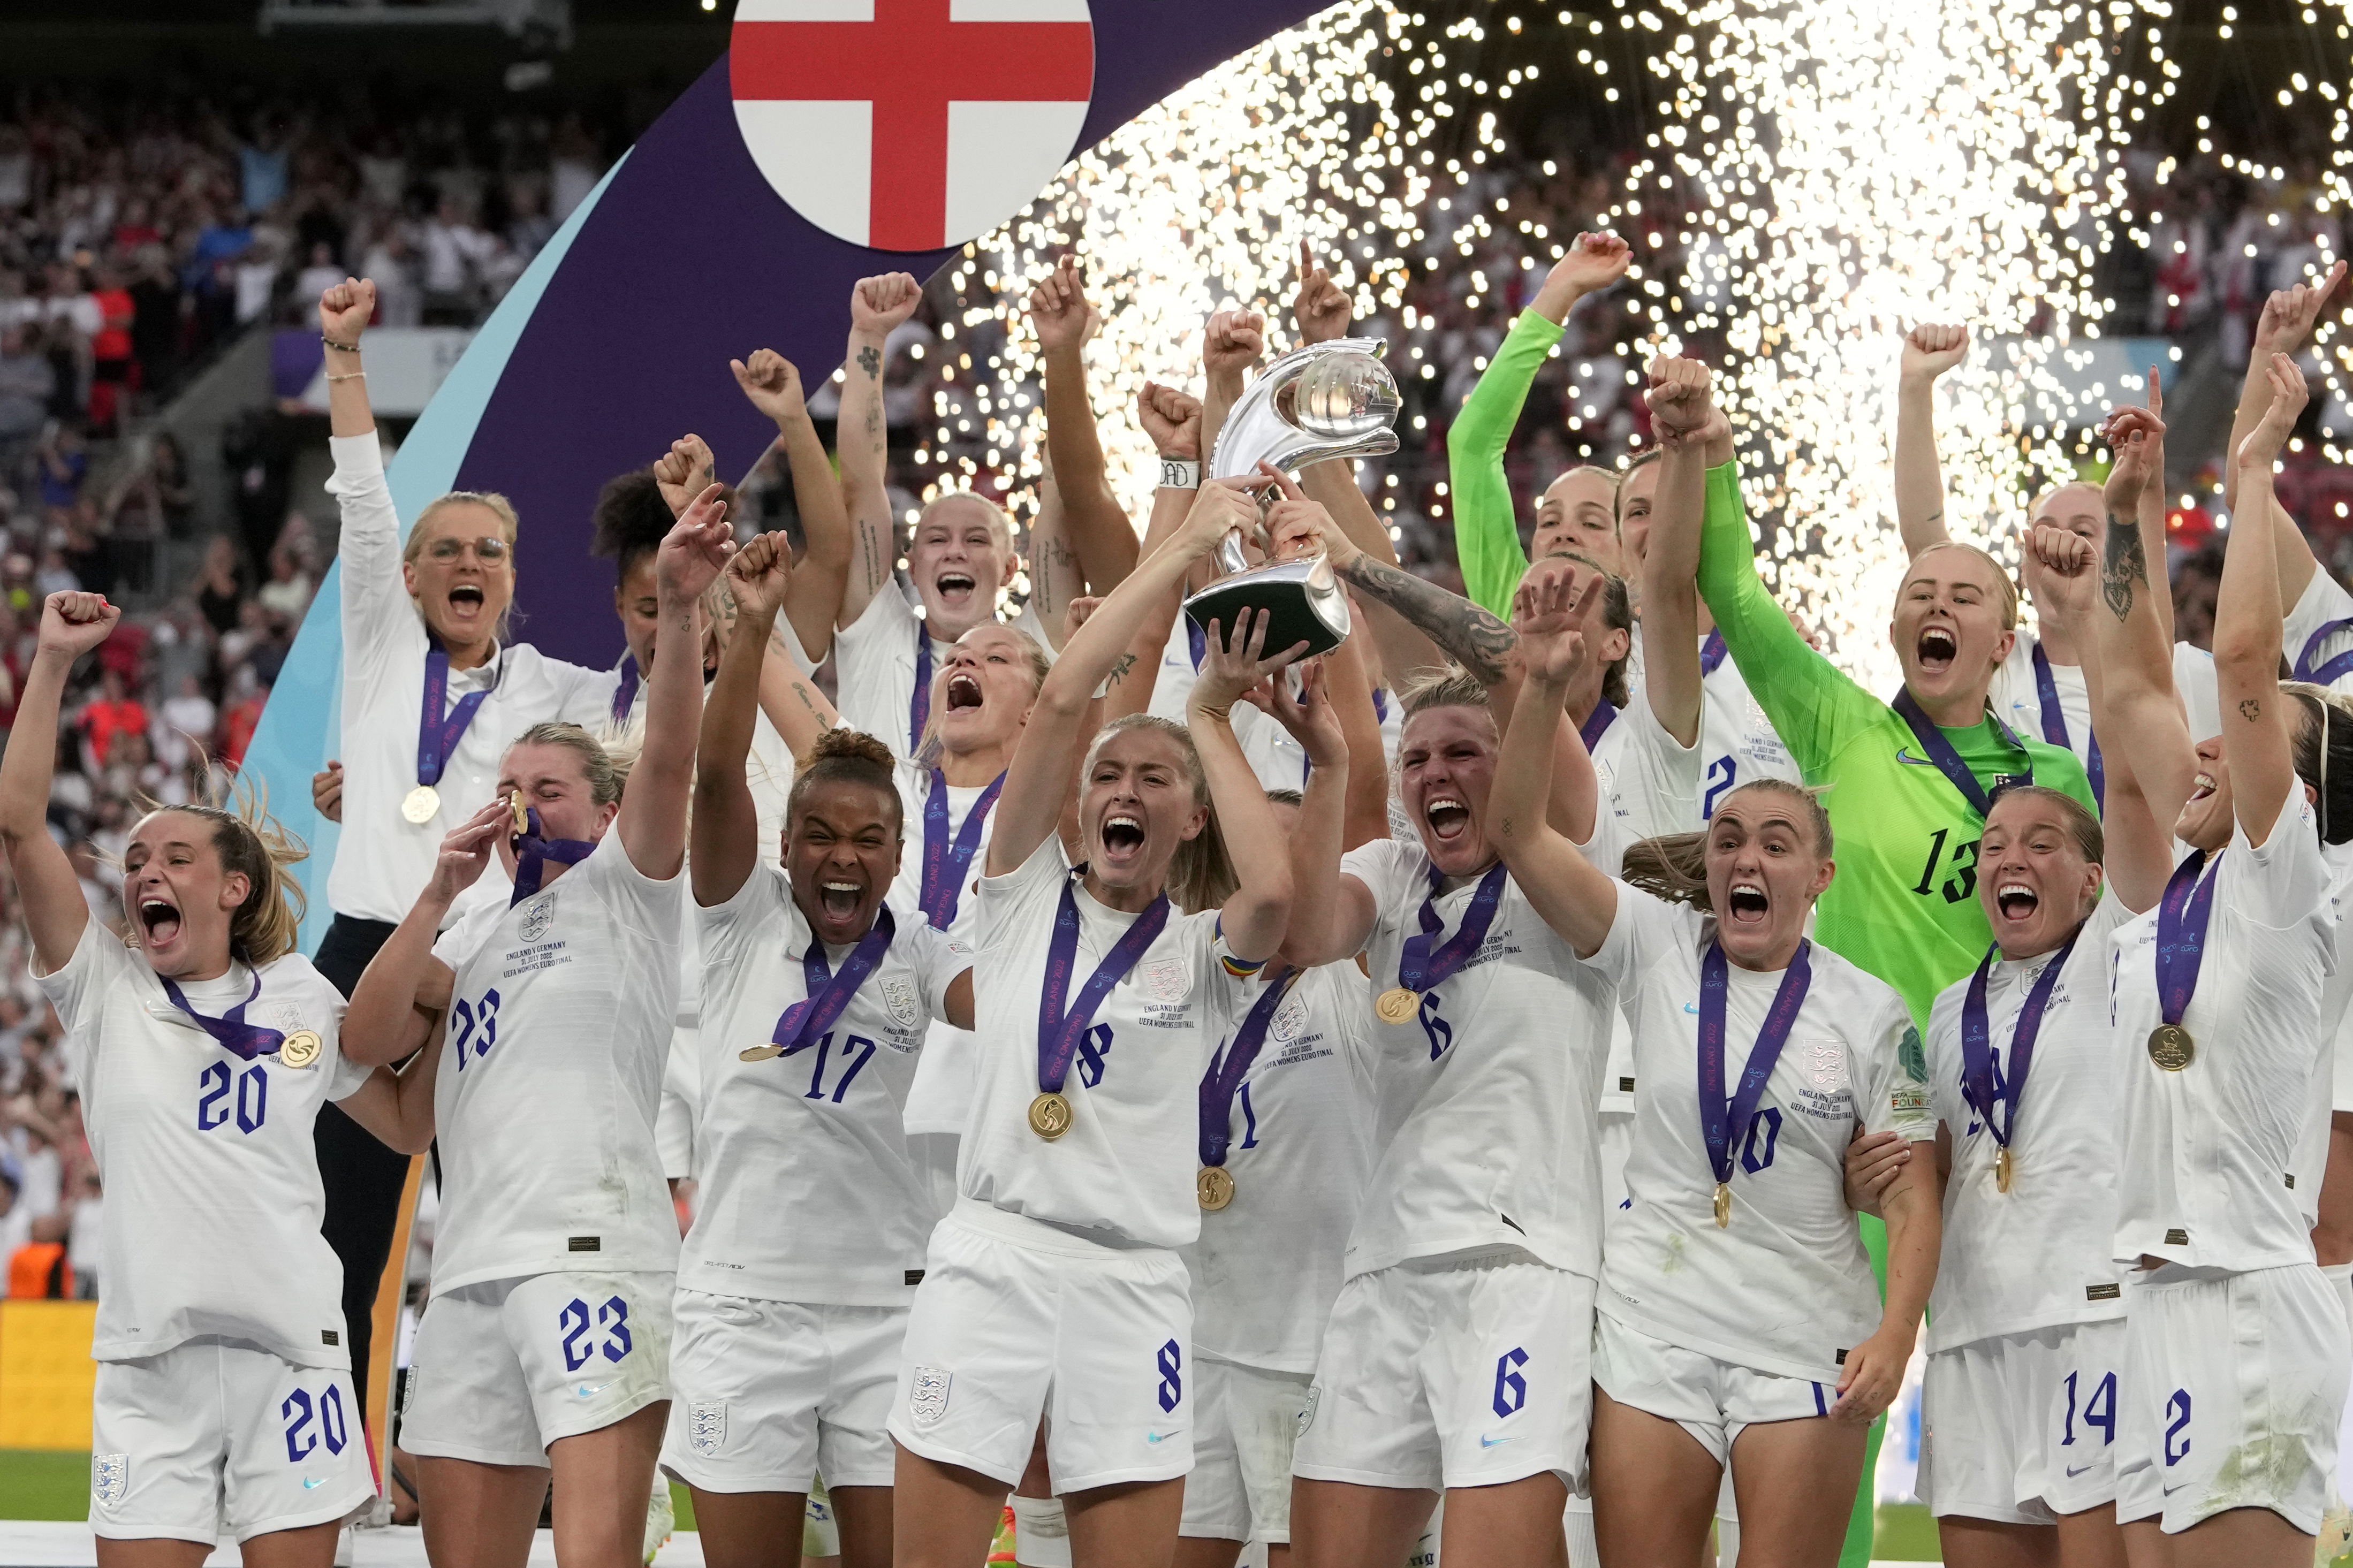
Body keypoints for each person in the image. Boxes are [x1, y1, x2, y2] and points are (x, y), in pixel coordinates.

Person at [1489, 564, 1939, 1568]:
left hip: (1806, 1335)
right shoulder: (1653, 939)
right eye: (1729, 840)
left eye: (1777, 845)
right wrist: (1542, 686)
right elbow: (1516, 832)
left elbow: (1912, 1195)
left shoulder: (1867, 1009)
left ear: (1818, 876)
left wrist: (1898, 1332)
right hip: (1656, 1326)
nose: (1746, 860)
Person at [885, 477, 1296, 1568]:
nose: (1123, 786)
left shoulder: (1203, 951)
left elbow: (1270, 890)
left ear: (1189, 813)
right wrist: (1179, 549)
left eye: (1154, 777)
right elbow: (1065, 700)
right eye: (1106, 775)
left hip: (1135, 1284)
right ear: (1073, 804)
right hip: (992, 1255)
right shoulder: (1018, 895)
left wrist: (1206, 712)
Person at [0, 589, 439, 1562]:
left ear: (234, 889)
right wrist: (52, 661)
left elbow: (409, 1125)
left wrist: (460, 992)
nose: (146, 871)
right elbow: (20, 821)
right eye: (137, 859)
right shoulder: (104, 989)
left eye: (177, 857)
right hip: (150, 1366)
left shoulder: (301, 998)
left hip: (297, 1362)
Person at [339, 489, 731, 1567]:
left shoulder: (631, 886)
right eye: (507, 786)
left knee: (594, 1556)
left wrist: (685, 615)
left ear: (603, 812)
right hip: (464, 1275)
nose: (519, 807)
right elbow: (376, 1058)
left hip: (590, 1258)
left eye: (546, 789)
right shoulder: (472, 943)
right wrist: (431, 895)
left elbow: (664, 762)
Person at [307, 276, 612, 1428]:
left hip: (480, 965)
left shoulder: (550, 691)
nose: (467, 561)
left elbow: (644, 708)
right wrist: (346, 355)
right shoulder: (382, 645)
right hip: (361, 953)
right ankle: (333, 1467)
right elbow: (363, 505)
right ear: (415, 577)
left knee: (491, 1214)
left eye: (490, 549)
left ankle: (517, 1447)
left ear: (513, 579)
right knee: (339, 1224)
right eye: (446, 550)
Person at [1274, 553, 1616, 1568]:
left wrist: (1363, 573)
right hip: (1383, 1266)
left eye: (1463, 753)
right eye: (1417, 761)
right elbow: (1304, 933)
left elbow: (1530, 706)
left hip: (1521, 1265)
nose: (1434, 777)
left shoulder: (1559, 863)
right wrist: (1336, 770)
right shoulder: (1390, 869)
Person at [662, 530, 976, 1568]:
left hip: (892, 1307)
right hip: (742, 1302)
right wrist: (748, 630)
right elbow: (712, 780)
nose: (842, 855)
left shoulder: (926, 949)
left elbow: (1006, 1014)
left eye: (867, 839)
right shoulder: (740, 913)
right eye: (820, 834)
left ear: (895, 852)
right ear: (786, 843)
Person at [2088, 356, 2352, 1564]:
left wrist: (2251, 466)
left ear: (2292, 790)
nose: (2200, 742)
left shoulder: (2287, 881)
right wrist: (2123, 510)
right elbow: (2130, 682)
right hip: (2155, 1298)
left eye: (2237, 745)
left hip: (2249, 1297)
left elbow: (2241, 657)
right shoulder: (2171, 898)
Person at [1887, 779, 2138, 1568]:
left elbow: (2133, 792)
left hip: (2088, 1320)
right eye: (1993, 844)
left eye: (2039, 842)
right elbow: (1937, 1169)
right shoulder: (1949, 1006)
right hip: (1970, 1332)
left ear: (2092, 878)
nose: (2010, 859)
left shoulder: (2118, 957)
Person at [809, 270, 1137, 754]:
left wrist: (1068, 354)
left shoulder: (1035, 644)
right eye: (937, 540)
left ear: (1010, 569)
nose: (955, 552)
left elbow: (1063, 486)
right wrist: (870, 337)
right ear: (913, 565)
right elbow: (861, 485)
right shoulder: (877, 635)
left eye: (978, 540)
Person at [1893, 322, 2219, 790]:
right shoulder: (2001, 662)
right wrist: (1915, 388)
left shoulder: (2183, 669)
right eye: (2043, 534)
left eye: (2083, 532)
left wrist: (2147, 488)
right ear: (2025, 568)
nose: (2059, 546)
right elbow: (1927, 545)